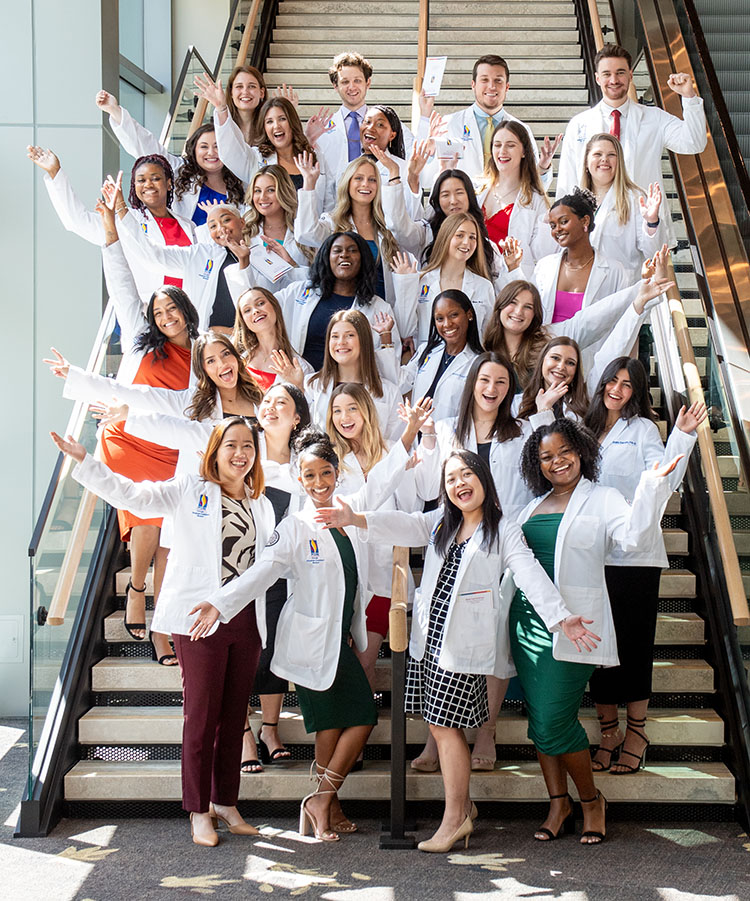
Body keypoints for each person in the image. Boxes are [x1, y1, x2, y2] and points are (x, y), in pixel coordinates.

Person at [314, 450, 596, 852]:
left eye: (467, 474)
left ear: (482, 478)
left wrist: (559, 617)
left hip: (465, 646)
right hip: (430, 641)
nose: (459, 483)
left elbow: (530, 571)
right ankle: (463, 807)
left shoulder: (503, 529)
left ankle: (455, 819)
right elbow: (407, 524)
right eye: (450, 479)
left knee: (446, 729)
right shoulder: (443, 523)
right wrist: (356, 519)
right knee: (439, 726)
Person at [51, 417, 275, 846]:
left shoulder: (259, 502)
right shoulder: (191, 489)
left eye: (248, 446)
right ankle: (197, 811)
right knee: (201, 717)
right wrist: (86, 462)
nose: (240, 453)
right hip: (197, 619)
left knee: (233, 718)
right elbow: (133, 494)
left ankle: (226, 803)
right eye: (231, 445)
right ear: (215, 450)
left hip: (244, 620)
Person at [191, 427, 418, 840]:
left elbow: (382, 481)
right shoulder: (294, 527)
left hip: (341, 638)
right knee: (362, 716)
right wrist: (221, 603)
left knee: (334, 723)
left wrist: (410, 434)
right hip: (311, 642)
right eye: (309, 476)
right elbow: (262, 573)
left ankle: (326, 806)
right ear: (299, 479)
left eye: (326, 473)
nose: (319, 483)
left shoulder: (348, 510)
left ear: (337, 474)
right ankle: (320, 801)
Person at [513, 418, 682, 843]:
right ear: (537, 465)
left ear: (582, 451)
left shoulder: (603, 497)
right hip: (527, 623)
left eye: (565, 451)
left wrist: (651, 487)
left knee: (553, 720)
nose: (557, 462)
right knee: (540, 720)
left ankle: (590, 800)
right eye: (546, 456)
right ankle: (557, 804)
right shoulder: (531, 505)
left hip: (577, 626)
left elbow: (633, 538)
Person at [46, 198, 199, 666]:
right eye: (159, 313)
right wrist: (111, 228)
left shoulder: (205, 350)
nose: (165, 317)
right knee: (149, 523)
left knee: (168, 530)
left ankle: (155, 612)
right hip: (127, 439)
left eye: (172, 309)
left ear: (186, 310)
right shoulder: (139, 339)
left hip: (172, 445)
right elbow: (122, 282)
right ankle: (138, 592)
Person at [412, 352, 534, 773]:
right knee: (442, 634)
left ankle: (487, 728)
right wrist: (427, 440)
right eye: (486, 379)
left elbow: (532, 488)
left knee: (494, 634)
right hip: (455, 538)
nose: (492, 388)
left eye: (502, 382)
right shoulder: (447, 429)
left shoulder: (521, 431)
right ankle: (437, 734)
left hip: (500, 540)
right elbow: (428, 485)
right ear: (472, 383)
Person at [583, 359, 705, 774]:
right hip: (589, 554)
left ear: (637, 391)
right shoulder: (583, 427)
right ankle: (608, 731)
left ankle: (637, 731)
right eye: (612, 381)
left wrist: (682, 438)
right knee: (597, 648)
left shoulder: (643, 431)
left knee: (632, 646)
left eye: (627, 384)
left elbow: (664, 478)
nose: (617, 389)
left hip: (633, 557)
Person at [556, 43, 707, 245]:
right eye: (607, 74)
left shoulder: (654, 118)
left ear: (630, 75)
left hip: (643, 225)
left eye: (620, 73)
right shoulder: (579, 124)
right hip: (592, 228)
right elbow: (567, 180)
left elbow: (694, 143)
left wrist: (689, 97)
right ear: (597, 78)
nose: (614, 80)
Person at [239, 383, 311, 772]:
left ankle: (269, 729)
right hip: (239, 570)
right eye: (265, 402)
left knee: (272, 651)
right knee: (242, 650)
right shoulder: (245, 453)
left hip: (283, 574)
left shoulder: (303, 461)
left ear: (297, 417)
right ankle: (243, 737)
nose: (270, 408)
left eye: (281, 403)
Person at [27, 148, 195, 300]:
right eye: (141, 180)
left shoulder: (188, 226)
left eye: (156, 178)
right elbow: (77, 221)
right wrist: (55, 173)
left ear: (169, 183)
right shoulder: (125, 220)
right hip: (148, 311)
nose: (148, 184)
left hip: (188, 311)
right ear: (134, 186)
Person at [96, 90, 245, 226]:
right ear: (194, 150)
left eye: (217, 146)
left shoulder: (240, 182)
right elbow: (145, 144)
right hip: (183, 251)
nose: (211, 152)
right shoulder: (180, 171)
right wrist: (114, 110)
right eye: (204, 147)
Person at [268, 232, 403, 373]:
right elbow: (263, 308)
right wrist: (244, 263)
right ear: (327, 257)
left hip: (350, 389)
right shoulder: (300, 291)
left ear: (363, 259)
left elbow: (390, 367)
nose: (344, 255)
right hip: (300, 383)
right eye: (337, 250)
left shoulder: (380, 308)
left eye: (352, 250)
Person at [499, 188, 629, 325]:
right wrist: (513, 268)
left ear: (585, 221)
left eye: (564, 221)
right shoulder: (545, 266)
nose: (557, 230)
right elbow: (527, 305)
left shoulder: (614, 271)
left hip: (594, 347)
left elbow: (623, 323)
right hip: (547, 345)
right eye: (552, 225)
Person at [294, 153, 403, 314]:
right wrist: (309, 183)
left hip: (380, 315)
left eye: (372, 180)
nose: (366, 184)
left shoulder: (386, 227)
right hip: (342, 313)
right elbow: (305, 233)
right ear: (348, 183)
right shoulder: (333, 223)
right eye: (358, 178)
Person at [438, 54, 559, 184]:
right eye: (484, 80)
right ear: (473, 85)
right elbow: (431, 178)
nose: (491, 86)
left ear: (507, 86)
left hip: (507, 202)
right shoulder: (450, 124)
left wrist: (543, 166)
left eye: (498, 80)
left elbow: (537, 186)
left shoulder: (522, 129)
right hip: (464, 202)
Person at [313, 51, 419, 181]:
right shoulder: (321, 130)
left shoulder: (388, 124)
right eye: (345, 82)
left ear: (368, 83)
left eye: (357, 81)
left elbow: (414, 156)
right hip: (335, 200)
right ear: (335, 86)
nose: (351, 87)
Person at [392, 213, 495, 346]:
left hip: (469, 364)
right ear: (445, 237)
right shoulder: (422, 281)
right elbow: (405, 330)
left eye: (472, 237)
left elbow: (489, 337)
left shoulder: (484, 286)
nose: (466, 242)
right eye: (460, 235)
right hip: (429, 362)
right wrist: (406, 283)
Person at [477, 120, 557, 280]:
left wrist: (547, 224)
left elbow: (543, 254)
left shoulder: (535, 199)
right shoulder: (478, 191)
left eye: (510, 145)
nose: (502, 151)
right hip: (477, 281)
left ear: (524, 151)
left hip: (512, 284)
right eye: (497, 145)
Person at [580, 133, 666, 280]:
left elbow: (653, 253)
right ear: (586, 163)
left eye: (611, 155)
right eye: (597, 154)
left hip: (623, 290)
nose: (604, 159)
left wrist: (651, 221)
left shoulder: (635, 198)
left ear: (619, 162)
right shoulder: (575, 199)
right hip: (583, 288)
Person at [306, 309, 402, 440]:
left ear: (364, 341)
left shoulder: (389, 392)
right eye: (334, 336)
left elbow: (396, 444)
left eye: (349, 335)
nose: (341, 342)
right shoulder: (312, 386)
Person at [381, 167, 497, 273]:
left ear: (470, 196)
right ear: (437, 200)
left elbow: (498, 283)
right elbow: (399, 229)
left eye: (459, 193)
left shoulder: (486, 244)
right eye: (445, 195)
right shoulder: (426, 232)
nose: (453, 201)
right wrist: (394, 177)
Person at [400, 289, 485, 424]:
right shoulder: (427, 351)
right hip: (417, 436)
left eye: (453, 315)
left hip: (451, 440)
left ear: (469, 314)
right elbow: (401, 382)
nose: (447, 324)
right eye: (440, 318)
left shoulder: (480, 362)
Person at [233, 165, 313, 292]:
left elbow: (318, 282)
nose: (263, 197)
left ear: (284, 192)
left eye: (270, 190)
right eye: (257, 190)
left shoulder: (305, 231)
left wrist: (291, 264)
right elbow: (239, 286)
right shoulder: (245, 233)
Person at [232, 286, 311, 392]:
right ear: (244, 322)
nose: (255, 311)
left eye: (260, 303)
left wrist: (298, 387)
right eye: (247, 310)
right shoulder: (236, 360)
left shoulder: (300, 367)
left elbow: (311, 407)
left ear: (275, 307)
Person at [196, 65, 268, 146]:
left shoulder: (271, 125)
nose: (245, 92)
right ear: (231, 93)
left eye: (252, 86)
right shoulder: (220, 125)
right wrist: (220, 107)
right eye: (239, 86)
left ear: (261, 93)